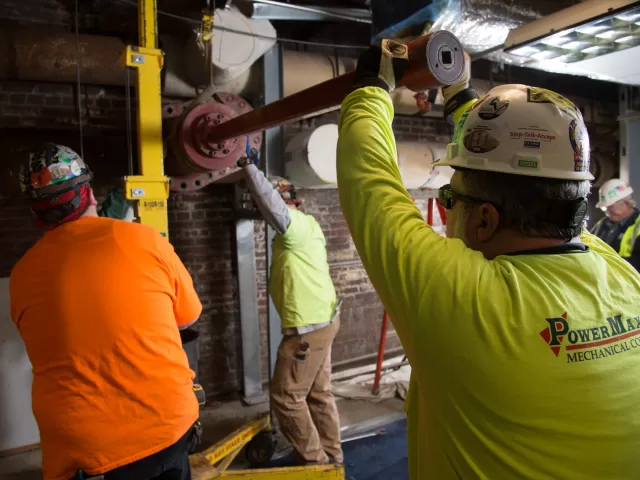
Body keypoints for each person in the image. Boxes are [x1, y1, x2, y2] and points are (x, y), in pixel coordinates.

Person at [336, 41, 640, 479]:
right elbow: (537, 183)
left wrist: (371, 87)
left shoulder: (463, 299)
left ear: (484, 220)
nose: (446, 208)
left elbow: (370, 181)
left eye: (450, 198)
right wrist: (461, 99)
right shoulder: (617, 271)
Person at [10, 143, 202, 480]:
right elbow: (188, 318)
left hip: (84, 447)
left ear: (36, 214)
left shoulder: (22, 274)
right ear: (90, 194)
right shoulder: (147, 240)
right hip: (166, 424)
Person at [239, 158, 343, 466]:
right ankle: (333, 458)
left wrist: (248, 168)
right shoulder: (307, 227)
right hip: (323, 323)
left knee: (286, 397)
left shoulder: (294, 225)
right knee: (318, 393)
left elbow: (273, 205)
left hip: (308, 332)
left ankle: (317, 464)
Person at [591, 178, 640, 270]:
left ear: (626, 202)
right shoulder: (601, 224)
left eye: (611, 207)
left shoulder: (638, 227)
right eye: (605, 208)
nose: (608, 212)